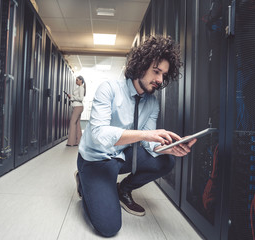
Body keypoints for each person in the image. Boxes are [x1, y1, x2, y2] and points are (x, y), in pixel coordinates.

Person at [74, 36, 197, 237]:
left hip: (121, 156)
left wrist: (167, 147)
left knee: (166, 161)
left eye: (164, 75)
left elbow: (148, 145)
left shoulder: (152, 103)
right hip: (96, 160)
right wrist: (146, 134)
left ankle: (123, 190)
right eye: (156, 72)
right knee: (109, 228)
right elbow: (98, 133)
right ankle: (84, 180)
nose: (160, 80)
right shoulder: (109, 89)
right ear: (141, 66)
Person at [66, 75, 86, 146]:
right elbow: (76, 99)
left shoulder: (81, 88)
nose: (76, 81)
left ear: (81, 80)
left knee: (72, 123)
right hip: (77, 106)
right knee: (77, 124)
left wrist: (72, 96)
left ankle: (71, 142)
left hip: (78, 107)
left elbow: (81, 99)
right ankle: (78, 142)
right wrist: (70, 97)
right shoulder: (79, 88)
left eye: (77, 80)